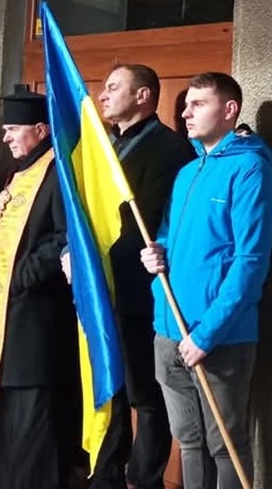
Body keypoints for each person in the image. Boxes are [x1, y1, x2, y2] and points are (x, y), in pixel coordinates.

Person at [140, 72, 272, 489]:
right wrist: (156, 254)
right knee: (189, 440)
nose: (186, 112)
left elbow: (250, 262)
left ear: (229, 109)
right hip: (169, 330)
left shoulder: (251, 170)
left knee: (225, 445)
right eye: (186, 105)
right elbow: (168, 235)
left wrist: (207, 335)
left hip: (219, 339)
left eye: (198, 104)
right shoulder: (188, 171)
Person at [84, 64, 195, 489]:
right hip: (100, 287)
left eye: (114, 87)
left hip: (140, 290)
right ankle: (107, 474)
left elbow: (144, 222)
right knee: (109, 387)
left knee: (147, 396)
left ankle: (144, 479)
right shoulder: (104, 144)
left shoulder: (170, 149)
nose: (103, 95)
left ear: (143, 95)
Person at [0, 85, 81, 486]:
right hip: (5, 320)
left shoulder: (56, 175)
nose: (6, 137)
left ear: (41, 130)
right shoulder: (20, 171)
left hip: (35, 320)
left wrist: (20, 275)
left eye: (13, 129)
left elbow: (66, 238)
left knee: (30, 426)